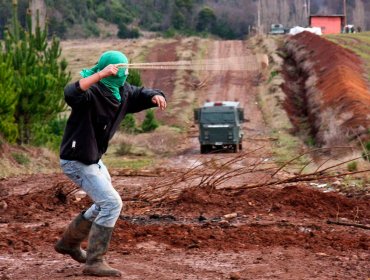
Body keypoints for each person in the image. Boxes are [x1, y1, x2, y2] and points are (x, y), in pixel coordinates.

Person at [54, 50, 167, 277]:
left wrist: (155, 95)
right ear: (107, 69)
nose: (123, 74)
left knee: (103, 204)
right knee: (112, 204)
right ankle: (94, 262)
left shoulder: (122, 92)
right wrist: (100, 75)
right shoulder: (91, 93)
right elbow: (71, 92)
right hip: (77, 160)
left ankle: (68, 244)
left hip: (93, 159)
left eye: (125, 68)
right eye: (119, 69)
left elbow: (140, 93)